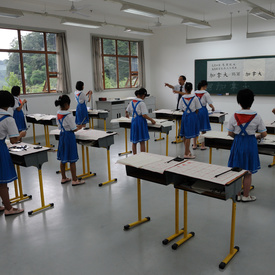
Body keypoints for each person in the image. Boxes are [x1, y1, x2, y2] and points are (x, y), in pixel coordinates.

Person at [228, 89, 267, 202]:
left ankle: (237, 195)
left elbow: (230, 133)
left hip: (238, 143)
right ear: (252, 101)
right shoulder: (257, 116)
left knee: (237, 170)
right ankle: (246, 196)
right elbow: (263, 133)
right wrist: (257, 137)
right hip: (250, 144)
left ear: (238, 102)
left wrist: (238, 138)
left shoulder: (234, 115)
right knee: (248, 172)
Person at [0, 90, 25, 216]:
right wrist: (21, 134)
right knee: (2, 181)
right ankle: (8, 208)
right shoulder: (8, 119)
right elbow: (15, 140)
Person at [55, 95, 85, 186]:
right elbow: (73, 128)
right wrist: (79, 127)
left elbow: (59, 126)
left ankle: (63, 177)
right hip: (69, 137)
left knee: (63, 158)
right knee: (72, 159)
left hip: (62, 135)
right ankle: (74, 180)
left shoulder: (58, 113)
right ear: (67, 104)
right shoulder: (68, 115)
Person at [126, 88, 156, 154]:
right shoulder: (142, 103)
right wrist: (152, 120)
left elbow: (126, 110)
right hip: (140, 122)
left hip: (133, 121)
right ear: (143, 96)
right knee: (142, 141)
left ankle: (134, 156)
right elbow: (144, 115)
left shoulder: (131, 102)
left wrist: (127, 114)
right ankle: (143, 157)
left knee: (134, 141)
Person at [178, 82, 201, 159]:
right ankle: (186, 153)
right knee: (189, 136)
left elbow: (181, 109)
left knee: (185, 135)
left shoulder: (182, 98)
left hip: (185, 116)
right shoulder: (195, 98)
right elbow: (197, 109)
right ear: (191, 89)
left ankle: (187, 151)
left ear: (185, 89)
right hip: (192, 116)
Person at [193, 80, 215, 150]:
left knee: (195, 128)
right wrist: (213, 108)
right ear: (204, 86)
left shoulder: (194, 93)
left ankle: (194, 144)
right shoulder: (206, 93)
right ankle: (202, 145)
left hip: (195, 110)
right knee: (203, 129)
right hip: (202, 111)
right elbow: (210, 103)